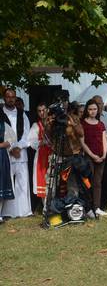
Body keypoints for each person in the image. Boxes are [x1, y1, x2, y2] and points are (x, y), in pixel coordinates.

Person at [0, 88, 32, 218]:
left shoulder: (22, 114)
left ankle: (24, 211)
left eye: (13, 96)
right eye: (8, 96)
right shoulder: (0, 113)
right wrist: (11, 148)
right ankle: (8, 212)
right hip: (5, 154)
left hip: (21, 153)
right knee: (8, 183)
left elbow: (27, 133)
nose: (11, 99)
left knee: (23, 182)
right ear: (4, 98)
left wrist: (18, 147)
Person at [80, 99, 107, 216]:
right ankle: (88, 208)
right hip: (89, 157)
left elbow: (104, 140)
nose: (92, 111)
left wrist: (104, 154)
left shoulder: (101, 124)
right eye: (90, 109)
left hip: (101, 157)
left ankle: (97, 207)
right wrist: (92, 155)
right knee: (88, 183)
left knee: (97, 183)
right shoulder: (83, 124)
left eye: (95, 109)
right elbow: (82, 142)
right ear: (87, 110)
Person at [27, 103, 52, 205]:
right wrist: (42, 142)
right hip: (41, 156)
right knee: (42, 179)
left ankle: (54, 205)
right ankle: (45, 206)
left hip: (53, 154)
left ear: (47, 110)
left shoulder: (53, 123)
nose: (42, 113)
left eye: (44, 110)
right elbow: (31, 142)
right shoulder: (36, 125)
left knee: (53, 179)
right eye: (39, 111)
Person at [0, 118, 15, 224]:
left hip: (2, 156)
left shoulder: (3, 125)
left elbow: (12, 138)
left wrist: (2, 145)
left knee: (1, 184)